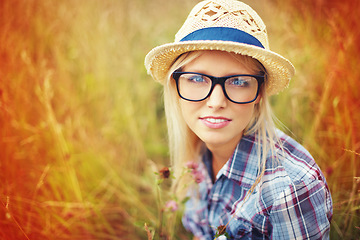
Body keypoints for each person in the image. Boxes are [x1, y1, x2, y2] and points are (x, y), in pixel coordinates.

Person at [145, 0, 333, 239]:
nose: (215, 102)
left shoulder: (287, 191)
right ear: (176, 86)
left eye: (238, 81)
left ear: (259, 93)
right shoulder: (197, 154)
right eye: (196, 79)